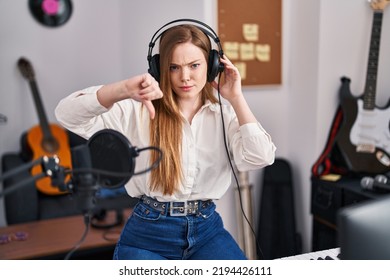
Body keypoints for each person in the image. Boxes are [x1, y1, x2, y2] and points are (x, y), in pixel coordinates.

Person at [55, 22, 276, 260]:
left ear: (213, 66)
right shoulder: (137, 110)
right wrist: (123, 89)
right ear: (159, 69)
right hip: (148, 235)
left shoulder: (225, 113)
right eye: (174, 67)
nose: (185, 77)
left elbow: (261, 156)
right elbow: (67, 115)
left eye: (194, 65)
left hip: (207, 230)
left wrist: (236, 97)